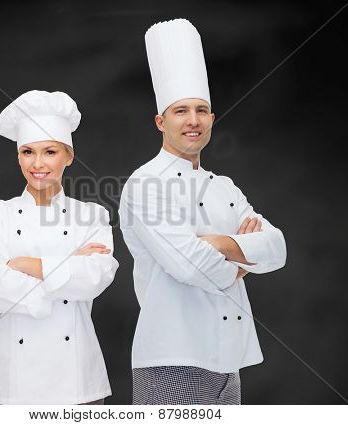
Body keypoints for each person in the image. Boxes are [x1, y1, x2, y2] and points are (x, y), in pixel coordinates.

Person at [119, 19, 287, 405]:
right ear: (161, 122)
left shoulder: (224, 186)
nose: (193, 120)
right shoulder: (146, 183)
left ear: (212, 120)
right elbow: (188, 266)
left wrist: (217, 243)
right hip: (170, 359)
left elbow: (277, 247)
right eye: (181, 111)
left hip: (230, 358)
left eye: (202, 110)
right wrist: (244, 259)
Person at [0, 90, 119, 405]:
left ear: (68, 156)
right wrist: (67, 265)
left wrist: (26, 264)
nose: (37, 163)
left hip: (78, 381)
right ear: (18, 156)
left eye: (49, 151)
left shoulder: (92, 215)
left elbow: (96, 278)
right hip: (14, 383)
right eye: (27, 152)